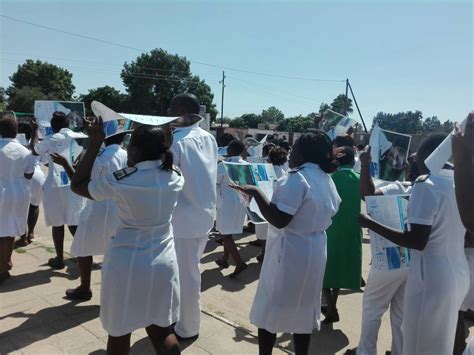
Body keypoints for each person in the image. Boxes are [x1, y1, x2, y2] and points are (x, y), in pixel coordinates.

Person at [71, 118, 182, 355]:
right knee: (161, 329)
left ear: (137, 150)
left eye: (130, 145)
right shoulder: (175, 176)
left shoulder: (123, 180)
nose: (127, 149)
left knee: (120, 331)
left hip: (127, 264)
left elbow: (78, 184)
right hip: (164, 264)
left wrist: (94, 144)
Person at [232, 131, 341, 355]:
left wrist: (255, 192)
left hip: (289, 251)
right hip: (314, 248)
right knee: (304, 309)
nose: (291, 153)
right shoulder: (325, 178)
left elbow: (280, 219)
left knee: (271, 306)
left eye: (296, 148)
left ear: (305, 153)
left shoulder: (297, 178)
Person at [359, 134, 469, 354]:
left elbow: (416, 241)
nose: (411, 160)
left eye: (417, 156)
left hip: (429, 275)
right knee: (436, 342)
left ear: (430, 155)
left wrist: (369, 223)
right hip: (455, 273)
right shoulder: (460, 183)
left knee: (418, 340)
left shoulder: (427, 184)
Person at [346, 146, 412, 355]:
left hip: (389, 259)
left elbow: (368, 195)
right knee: (400, 314)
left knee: (372, 309)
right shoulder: (424, 189)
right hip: (411, 261)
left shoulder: (398, 187)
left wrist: (365, 163)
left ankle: (366, 352)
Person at [53, 123, 129, 300]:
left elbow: (79, 182)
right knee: (116, 250)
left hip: (97, 206)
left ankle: (85, 288)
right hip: (121, 207)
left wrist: (65, 163)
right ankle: (118, 290)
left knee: (84, 248)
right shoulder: (127, 154)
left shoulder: (99, 155)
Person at [168, 93, 218, 340]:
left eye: (173, 108)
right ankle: (180, 318)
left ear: (184, 112)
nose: (168, 112)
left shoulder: (176, 142)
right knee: (188, 270)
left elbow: (169, 181)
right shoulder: (209, 138)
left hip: (183, 219)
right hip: (204, 214)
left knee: (186, 275)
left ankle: (188, 327)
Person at [33, 112, 86, 269]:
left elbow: (36, 150)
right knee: (74, 222)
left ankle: (59, 258)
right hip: (75, 183)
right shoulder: (80, 136)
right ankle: (84, 256)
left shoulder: (51, 139)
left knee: (58, 224)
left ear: (53, 125)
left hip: (55, 186)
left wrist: (35, 130)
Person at [323, 146, 362, 324]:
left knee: (325, 270)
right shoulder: (360, 179)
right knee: (338, 270)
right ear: (354, 160)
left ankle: (331, 307)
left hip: (331, 229)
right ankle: (333, 304)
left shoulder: (330, 179)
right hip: (351, 230)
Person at [0, 118, 35, 283]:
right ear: (16, 132)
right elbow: (29, 174)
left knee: (1, 232)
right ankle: (6, 262)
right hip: (20, 193)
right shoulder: (25, 151)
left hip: (2, 192)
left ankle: (2, 267)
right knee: (11, 228)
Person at [215, 139, 248, 277]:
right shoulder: (246, 164)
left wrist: (216, 203)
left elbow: (215, 183)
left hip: (226, 202)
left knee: (225, 233)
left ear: (229, 150)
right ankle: (224, 258)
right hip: (240, 201)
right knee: (228, 231)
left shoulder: (223, 165)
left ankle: (239, 263)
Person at [253, 146, 289, 263]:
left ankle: (264, 253)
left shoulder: (264, 170)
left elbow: (258, 185)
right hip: (279, 206)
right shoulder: (285, 173)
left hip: (265, 203)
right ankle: (269, 253)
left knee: (264, 231)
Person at [15, 117, 46, 246]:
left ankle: (23, 236)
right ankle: (31, 233)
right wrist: (36, 131)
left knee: (21, 208)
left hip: (22, 176)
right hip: (38, 175)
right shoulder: (37, 142)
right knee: (34, 205)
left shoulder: (15, 143)